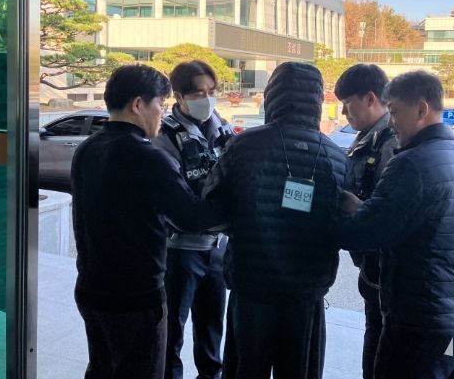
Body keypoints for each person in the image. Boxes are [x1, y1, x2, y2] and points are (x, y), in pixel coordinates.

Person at [71, 64, 225, 379]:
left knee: (102, 369)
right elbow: (191, 216)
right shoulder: (148, 157)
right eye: (160, 104)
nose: (162, 113)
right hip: (135, 296)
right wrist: (234, 203)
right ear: (138, 104)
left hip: (91, 287)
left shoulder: (88, 148)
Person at [202, 62, 348, 379]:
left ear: (272, 96)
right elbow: (342, 226)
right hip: (305, 294)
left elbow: (212, 207)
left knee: (245, 369)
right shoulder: (336, 157)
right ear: (316, 100)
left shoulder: (244, 145)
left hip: (251, 288)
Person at [338, 70, 454, 379]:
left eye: (394, 112)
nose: (391, 123)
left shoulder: (410, 164)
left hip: (421, 327)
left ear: (421, 109)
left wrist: (351, 210)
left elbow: (364, 234)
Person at [152, 61, 233, 379]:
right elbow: (178, 199)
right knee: (171, 331)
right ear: (180, 96)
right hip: (179, 251)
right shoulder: (166, 135)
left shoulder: (224, 129)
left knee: (212, 330)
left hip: (217, 248)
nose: (207, 99)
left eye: (212, 91)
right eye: (199, 93)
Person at [333, 64, 397, 379]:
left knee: (382, 346)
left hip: (386, 269)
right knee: (374, 336)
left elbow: (391, 213)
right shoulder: (368, 137)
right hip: (373, 267)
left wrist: (354, 208)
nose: (343, 112)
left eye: (348, 103)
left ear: (370, 98)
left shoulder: (390, 142)